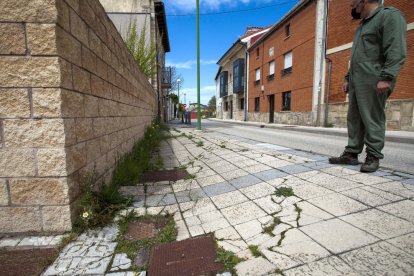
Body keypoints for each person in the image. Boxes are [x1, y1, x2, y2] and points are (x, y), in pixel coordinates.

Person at [329, 0, 407, 173]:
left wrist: (387, 77)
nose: (351, 8)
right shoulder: (362, 26)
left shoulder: (389, 16)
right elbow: (357, 55)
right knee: (354, 118)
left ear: (362, 2)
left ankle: (373, 155)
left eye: (353, 4)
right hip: (357, 79)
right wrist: (348, 78)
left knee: (372, 117)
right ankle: (351, 153)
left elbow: (396, 49)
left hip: (375, 77)